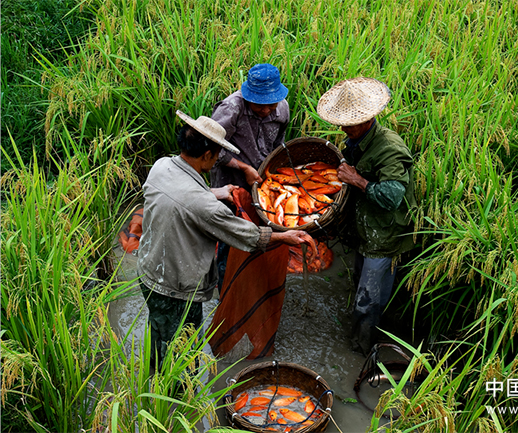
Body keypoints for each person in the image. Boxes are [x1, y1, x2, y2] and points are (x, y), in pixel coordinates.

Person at [137, 111, 311, 370]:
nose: (218, 158)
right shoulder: (205, 207)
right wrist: (283, 236)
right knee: (183, 353)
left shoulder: (162, 166)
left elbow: (183, 194)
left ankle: (153, 370)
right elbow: (243, 234)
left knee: (160, 331)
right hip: (175, 288)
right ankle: (176, 400)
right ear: (207, 155)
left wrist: (217, 192)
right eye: (217, 153)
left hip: (148, 271)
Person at [317, 77, 416, 355]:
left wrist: (358, 179)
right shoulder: (357, 139)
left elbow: (392, 196)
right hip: (365, 227)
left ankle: (361, 352)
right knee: (361, 284)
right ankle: (361, 335)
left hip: (384, 234)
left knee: (369, 299)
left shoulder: (389, 149)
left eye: (347, 124)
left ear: (366, 120)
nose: (342, 128)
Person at [209, 63, 290, 191]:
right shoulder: (231, 108)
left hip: (262, 176)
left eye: (272, 105)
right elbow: (211, 147)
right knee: (230, 207)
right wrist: (244, 168)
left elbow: (278, 144)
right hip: (230, 178)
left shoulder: (283, 107)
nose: (265, 110)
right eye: (259, 105)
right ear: (249, 98)